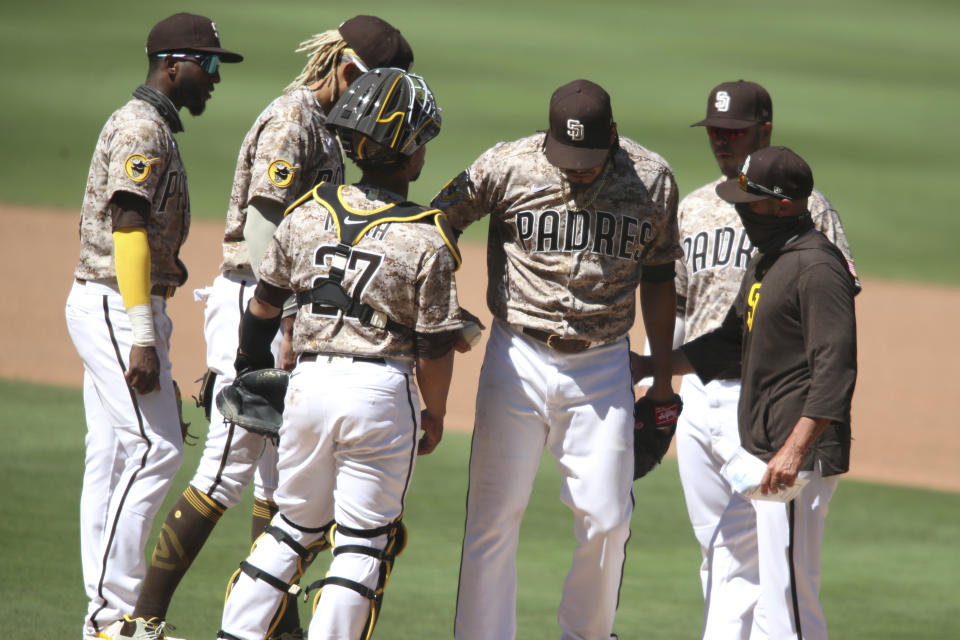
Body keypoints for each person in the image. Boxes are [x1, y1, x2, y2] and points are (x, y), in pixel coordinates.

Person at [125, 16, 414, 640]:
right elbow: (262, 235)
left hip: (286, 313)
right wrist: (277, 329)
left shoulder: (332, 128)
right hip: (258, 304)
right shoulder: (295, 119)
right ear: (347, 70)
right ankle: (140, 620)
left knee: (282, 482)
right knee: (225, 468)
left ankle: (276, 631)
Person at [217, 67, 467, 640]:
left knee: (291, 528)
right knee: (361, 543)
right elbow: (434, 347)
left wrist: (247, 368)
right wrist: (436, 413)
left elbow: (263, 306)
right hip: (379, 395)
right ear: (410, 154)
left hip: (307, 387)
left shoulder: (308, 212)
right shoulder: (427, 237)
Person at [431, 79, 682, 640]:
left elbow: (662, 278)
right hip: (515, 355)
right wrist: (444, 307)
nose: (578, 170)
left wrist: (661, 380)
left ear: (613, 137)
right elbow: (435, 222)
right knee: (493, 520)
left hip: (602, 364)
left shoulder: (653, 179)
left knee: (608, 521)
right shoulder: (506, 164)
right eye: (567, 159)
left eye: (589, 159)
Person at [64, 13, 242, 640]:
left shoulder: (151, 125)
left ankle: (102, 618)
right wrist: (143, 332)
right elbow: (129, 228)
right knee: (154, 449)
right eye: (209, 64)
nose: (215, 78)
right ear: (173, 63)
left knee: (112, 454)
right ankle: (111, 617)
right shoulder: (143, 129)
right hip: (119, 305)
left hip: (116, 303)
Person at [635, 145, 858, 640]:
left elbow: (836, 369)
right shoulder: (769, 259)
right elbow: (727, 344)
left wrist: (795, 450)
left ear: (783, 204)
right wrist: (651, 366)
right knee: (736, 566)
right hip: (763, 450)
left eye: (749, 201)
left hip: (793, 455)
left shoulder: (818, 268)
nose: (739, 209)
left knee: (788, 598)